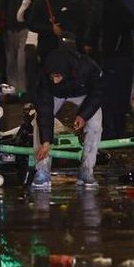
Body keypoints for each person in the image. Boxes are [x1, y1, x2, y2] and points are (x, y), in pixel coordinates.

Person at [32, 46, 105, 190]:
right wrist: (46, 142)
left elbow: (98, 93)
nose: (55, 81)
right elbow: (45, 108)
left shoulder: (88, 68)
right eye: (52, 77)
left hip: (84, 94)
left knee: (95, 126)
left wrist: (83, 116)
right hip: (57, 95)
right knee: (37, 123)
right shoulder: (45, 77)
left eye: (58, 76)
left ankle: (87, 170)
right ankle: (42, 171)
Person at [87, 0, 134, 139]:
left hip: (110, 56)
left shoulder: (100, 5)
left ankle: (110, 129)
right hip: (120, 55)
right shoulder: (116, 3)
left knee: (109, 95)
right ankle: (116, 129)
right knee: (118, 95)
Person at [0, 0, 29, 95]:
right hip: (11, 29)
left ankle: (20, 88)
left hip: (19, 29)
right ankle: (15, 88)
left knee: (19, 60)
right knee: (12, 60)